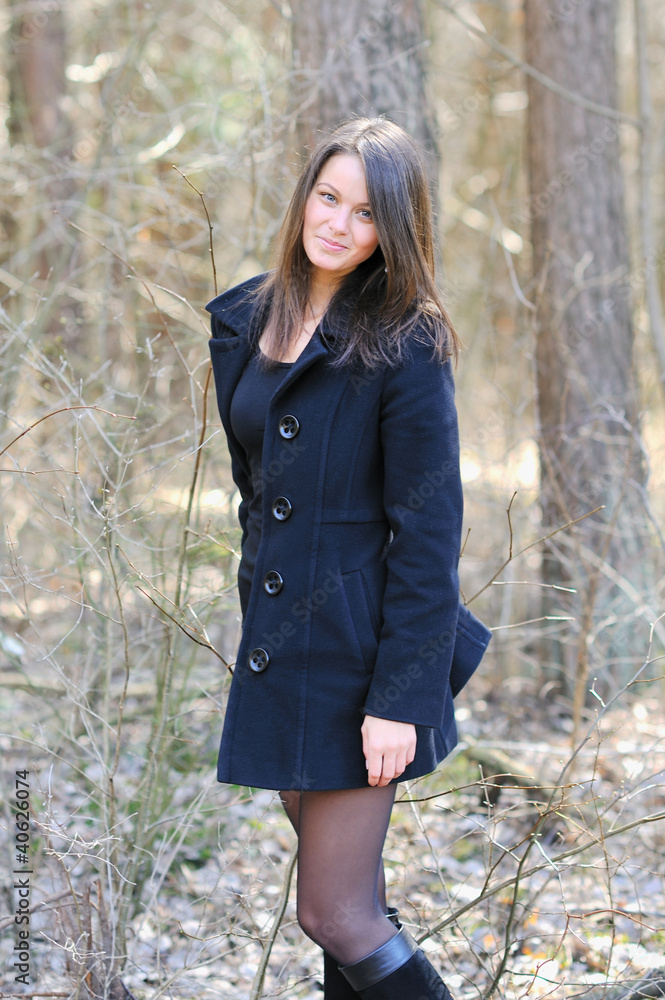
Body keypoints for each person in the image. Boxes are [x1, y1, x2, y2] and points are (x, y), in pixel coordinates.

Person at [206, 117, 491, 999]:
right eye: (327, 198)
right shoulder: (247, 320)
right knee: (352, 907)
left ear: (392, 230)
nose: (337, 223)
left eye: (365, 213)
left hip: (362, 658)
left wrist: (399, 699)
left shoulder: (405, 343)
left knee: (334, 914)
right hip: (280, 651)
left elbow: (428, 534)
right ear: (304, 197)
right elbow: (259, 500)